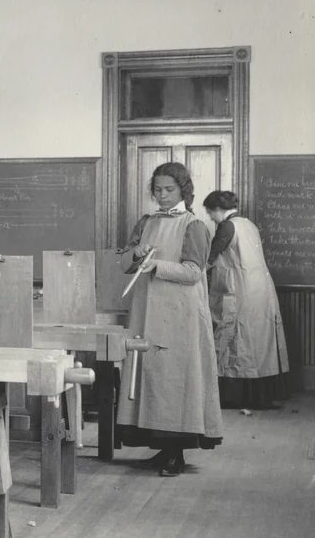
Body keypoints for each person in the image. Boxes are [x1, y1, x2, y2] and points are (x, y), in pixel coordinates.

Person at [116, 162, 222, 477]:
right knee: (151, 377)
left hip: (180, 315)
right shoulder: (147, 221)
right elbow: (124, 262)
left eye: (169, 190)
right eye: (158, 190)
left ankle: (176, 452)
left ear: (183, 191)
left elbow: (193, 273)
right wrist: (137, 255)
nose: (162, 196)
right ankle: (163, 448)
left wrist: (156, 265)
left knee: (175, 381)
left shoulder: (194, 225)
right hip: (148, 310)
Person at [203, 190, 290, 409]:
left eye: (210, 213)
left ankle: (235, 398)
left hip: (240, 291)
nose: (210, 218)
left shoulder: (227, 226)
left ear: (217, 209)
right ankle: (258, 397)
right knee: (258, 346)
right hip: (259, 291)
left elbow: (209, 258)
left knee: (237, 344)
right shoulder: (249, 224)